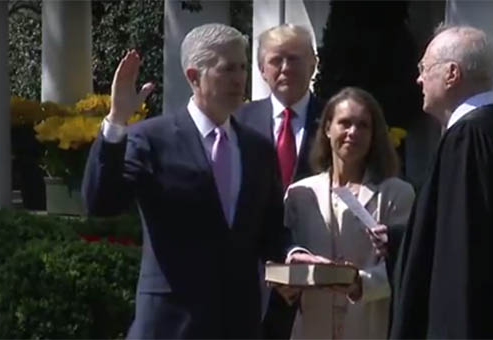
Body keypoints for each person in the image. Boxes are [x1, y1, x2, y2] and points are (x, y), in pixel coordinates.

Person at [82, 23, 327, 339]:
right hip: (170, 325)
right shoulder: (151, 140)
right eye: (226, 69)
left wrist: (292, 253)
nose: (239, 79)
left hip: (239, 325)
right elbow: (100, 202)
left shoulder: (257, 148)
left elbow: (268, 230)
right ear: (193, 77)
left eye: (241, 67)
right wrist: (116, 122)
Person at [384, 25, 493, 338]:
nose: (419, 79)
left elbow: (462, 257)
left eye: (424, 68)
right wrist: (401, 240)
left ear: (452, 74)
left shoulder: (469, 139)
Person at [284, 87, 415, 339]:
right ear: (327, 128)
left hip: (367, 326)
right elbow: (288, 252)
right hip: (312, 328)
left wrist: (359, 284)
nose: (352, 132)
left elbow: (404, 265)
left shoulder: (397, 193)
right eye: (344, 123)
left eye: (363, 125)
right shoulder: (299, 194)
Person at [234, 24, 323, 338]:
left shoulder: (336, 121)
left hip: (318, 274)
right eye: (276, 60)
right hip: (251, 277)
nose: (285, 68)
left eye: (295, 59)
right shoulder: (236, 122)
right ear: (261, 68)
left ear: (313, 63)